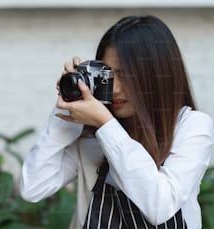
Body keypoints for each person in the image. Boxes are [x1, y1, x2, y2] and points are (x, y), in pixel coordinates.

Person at [20, 15, 214, 229]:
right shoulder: (92, 134)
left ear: (156, 76)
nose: (116, 89)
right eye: (109, 75)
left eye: (127, 75)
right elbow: (33, 187)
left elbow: (160, 205)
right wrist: (69, 102)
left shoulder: (191, 127)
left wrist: (106, 125)